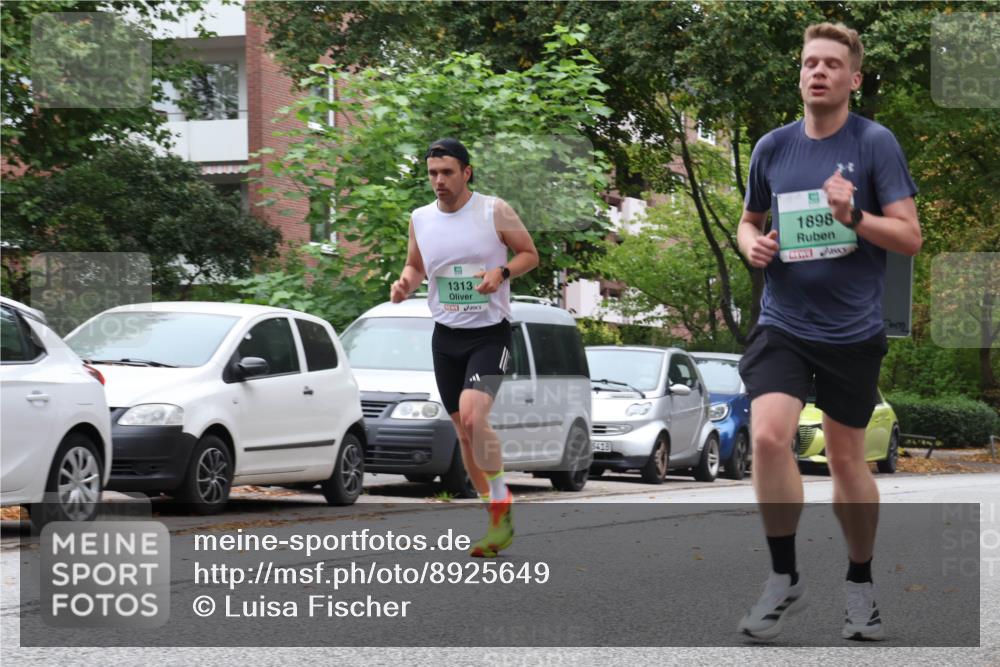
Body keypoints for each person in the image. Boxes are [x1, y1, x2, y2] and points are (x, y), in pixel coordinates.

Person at [735, 23, 921, 641]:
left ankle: (860, 583)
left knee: (846, 460)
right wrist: (752, 248)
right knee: (767, 438)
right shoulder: (771, 148)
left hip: (852, 330)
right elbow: (748, 220)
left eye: (831, 64)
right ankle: (784, 578)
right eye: (809, 62)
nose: (818, 71)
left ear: (853, 78)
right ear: (800, 75)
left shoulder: (875, 143)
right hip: (784, 322)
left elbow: (909, 237)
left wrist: (853, 215)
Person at [390, 138, 539, 557]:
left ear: (466, 172)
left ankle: (502, 498)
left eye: (447, 172)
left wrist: (502, 271)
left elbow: (530, 254)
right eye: (433, 173)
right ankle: (495, 517)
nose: (439, 180)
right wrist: (405, 284)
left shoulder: (494, 210)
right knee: (463, 432)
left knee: (473, 419)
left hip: (490, 334)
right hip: (446, 336)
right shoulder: (420, 218)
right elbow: (417, 266)